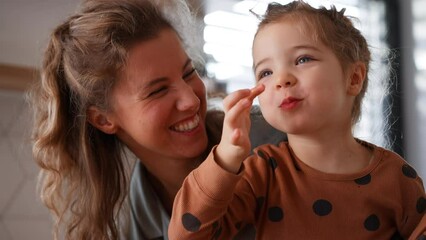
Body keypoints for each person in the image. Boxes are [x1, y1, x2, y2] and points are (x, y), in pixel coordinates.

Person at [29, 0, 285, 239]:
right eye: (158, 90)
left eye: (188, 73)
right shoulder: (138, 216)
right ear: (103, 120)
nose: (192, 101)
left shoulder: (277, 137)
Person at [169, 1, 426, 239]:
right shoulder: (261, 173)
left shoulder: (397, 178)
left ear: (354, 78)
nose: (281, 79)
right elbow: (186, 234)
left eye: (303, 59)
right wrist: (225, 157)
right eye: (266, 72)